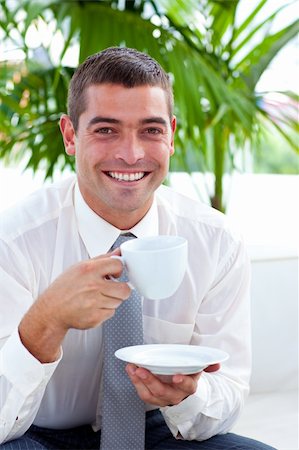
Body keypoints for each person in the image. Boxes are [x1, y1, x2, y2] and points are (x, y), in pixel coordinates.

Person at [0, 47, 275, 450]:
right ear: (70, 136)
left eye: (151, 130)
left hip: (161, 428)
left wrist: (185, 396)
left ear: (172, 135)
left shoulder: (217, 242)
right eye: (106, 130)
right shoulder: (14, 240)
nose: (131, 154)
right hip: (36, 433)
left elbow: (228, 388)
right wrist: (47, 319)